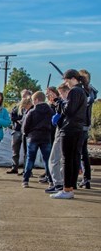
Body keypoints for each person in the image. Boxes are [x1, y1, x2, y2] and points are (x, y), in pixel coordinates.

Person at [51, 70, 88, 199]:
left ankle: (67, 189)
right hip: (78, 128)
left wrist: (59, 103)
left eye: (66, 80)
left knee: (67, 160)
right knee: (73, 159)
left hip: (69, 129)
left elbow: (69, 110)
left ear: (72, 79)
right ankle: (70, 187)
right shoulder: (82, 91)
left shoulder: (74, 91)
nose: (65, 83)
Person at [21, 91, 53, 188]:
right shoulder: (50, 111)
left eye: (33, 100)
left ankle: (25, 180)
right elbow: (54, 124)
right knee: (47, 160)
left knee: (30, 159)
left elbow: (25, 126)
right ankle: (51, 180)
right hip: (46, 137)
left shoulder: (32, 111)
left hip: (33, 137)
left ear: (36, 100)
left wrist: (26, 134)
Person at [77, 69, 97, 189]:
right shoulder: (89, 90)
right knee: (83, 153)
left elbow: (88, 101)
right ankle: (86, 179)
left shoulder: (87, 91)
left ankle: (82, 178)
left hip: (81, 125)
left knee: (79, 153)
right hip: (84, 124)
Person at [6, 89, 33, 174]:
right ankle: (14, 167)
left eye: (26, 95)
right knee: (15, 150)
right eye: (23, 95)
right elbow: (11, 116)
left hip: (27, 131)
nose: (24, 97)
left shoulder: (32, 106)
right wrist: (19, 120)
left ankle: (27, 170)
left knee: (27, 151)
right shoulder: (17, 106)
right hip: (17, 130)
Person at [44, 86, 64, 191]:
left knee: (54, 159)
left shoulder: (60, 103)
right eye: (47, 94)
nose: (48, 95)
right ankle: (58, 181)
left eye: (50, 93)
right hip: (54, 132)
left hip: (58, 132)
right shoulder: (57, 103)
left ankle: (57, 183)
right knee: (56, 159)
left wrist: (55, 103)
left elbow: (57, 118)